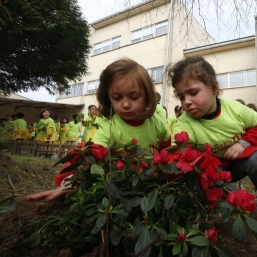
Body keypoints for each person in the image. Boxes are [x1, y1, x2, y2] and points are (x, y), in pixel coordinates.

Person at [26, 57, 171, 202]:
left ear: (147, 97)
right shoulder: (110, 126)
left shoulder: (157, 122)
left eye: (134, 97)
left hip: (152, 187)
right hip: (119, 190)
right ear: (108, 98)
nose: (125, 104)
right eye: (117, 98)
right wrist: (70, 181)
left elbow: (167, 151)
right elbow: (90, 156)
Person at [167, 56, 257, 220]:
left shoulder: (235, 109)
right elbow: (178, 152)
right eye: (181, 97)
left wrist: (242, 144)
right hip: (213, 171)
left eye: (193, 93)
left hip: (238, 162)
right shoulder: (183, 123)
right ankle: (214, 205)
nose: (187, 102)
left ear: (214, 88)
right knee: (204, 179)